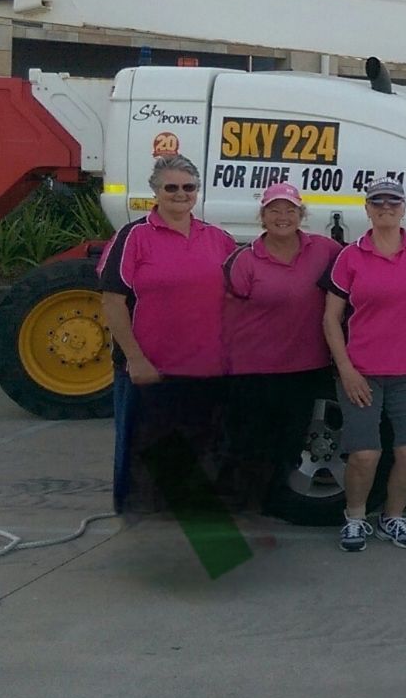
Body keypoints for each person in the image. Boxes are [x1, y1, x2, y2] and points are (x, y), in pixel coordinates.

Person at [99, 154, 237, 515]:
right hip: (149, 370)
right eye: (171, 187)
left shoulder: (219, 240)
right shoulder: (134, 237)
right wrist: (135, 358)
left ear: (197, 192)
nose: (180, 194)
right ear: (155, 192)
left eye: (188, 187)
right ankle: (141, 527)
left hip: (206, 369)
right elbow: (113, 302)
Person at [322, 178, 406, 553]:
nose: (385, 208)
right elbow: (331, 319)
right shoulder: (350, 256)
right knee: (365, 454)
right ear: (367, 209)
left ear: (404, 208)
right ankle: (355, 518)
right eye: (377, 203)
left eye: (392, 202)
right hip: (362, 371)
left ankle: (392, 517)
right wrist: (346, 369)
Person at [221, 182, 343, 513]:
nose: (282, 216)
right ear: (262, 216)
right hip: (253, 368)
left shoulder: (324, 249)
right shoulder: (245, 260)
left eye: (290, 209)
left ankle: (275, 503)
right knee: (250, 441)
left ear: (301, 215)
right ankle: (241, 505)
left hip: (306, 367)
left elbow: (355, 272)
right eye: (274, 209)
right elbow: (227, 314)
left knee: (290, 442)